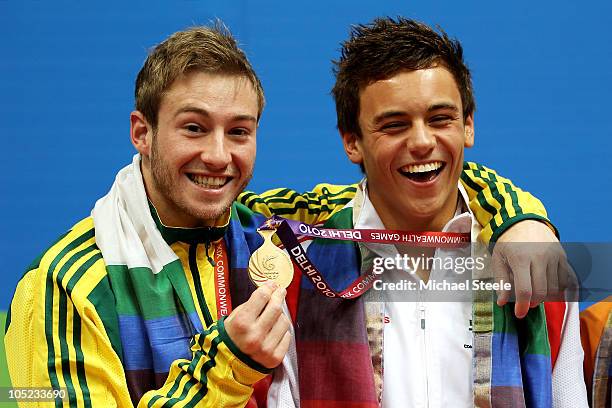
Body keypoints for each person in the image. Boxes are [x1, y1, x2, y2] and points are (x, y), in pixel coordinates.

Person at [4, 21, 568, 408]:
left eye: (239, 132)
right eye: (194, 127)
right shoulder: (64, 286)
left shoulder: (263, 231)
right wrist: (226, 363)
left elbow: (392, 200)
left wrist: (521, 216)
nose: (219, 156)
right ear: (142, 133)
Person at [239, 18, 587, 407]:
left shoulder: (537, 266)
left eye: (440, 119)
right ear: (352, 142)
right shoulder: (296, 273)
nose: (422, 142)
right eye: (394, 125)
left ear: (468, 126)